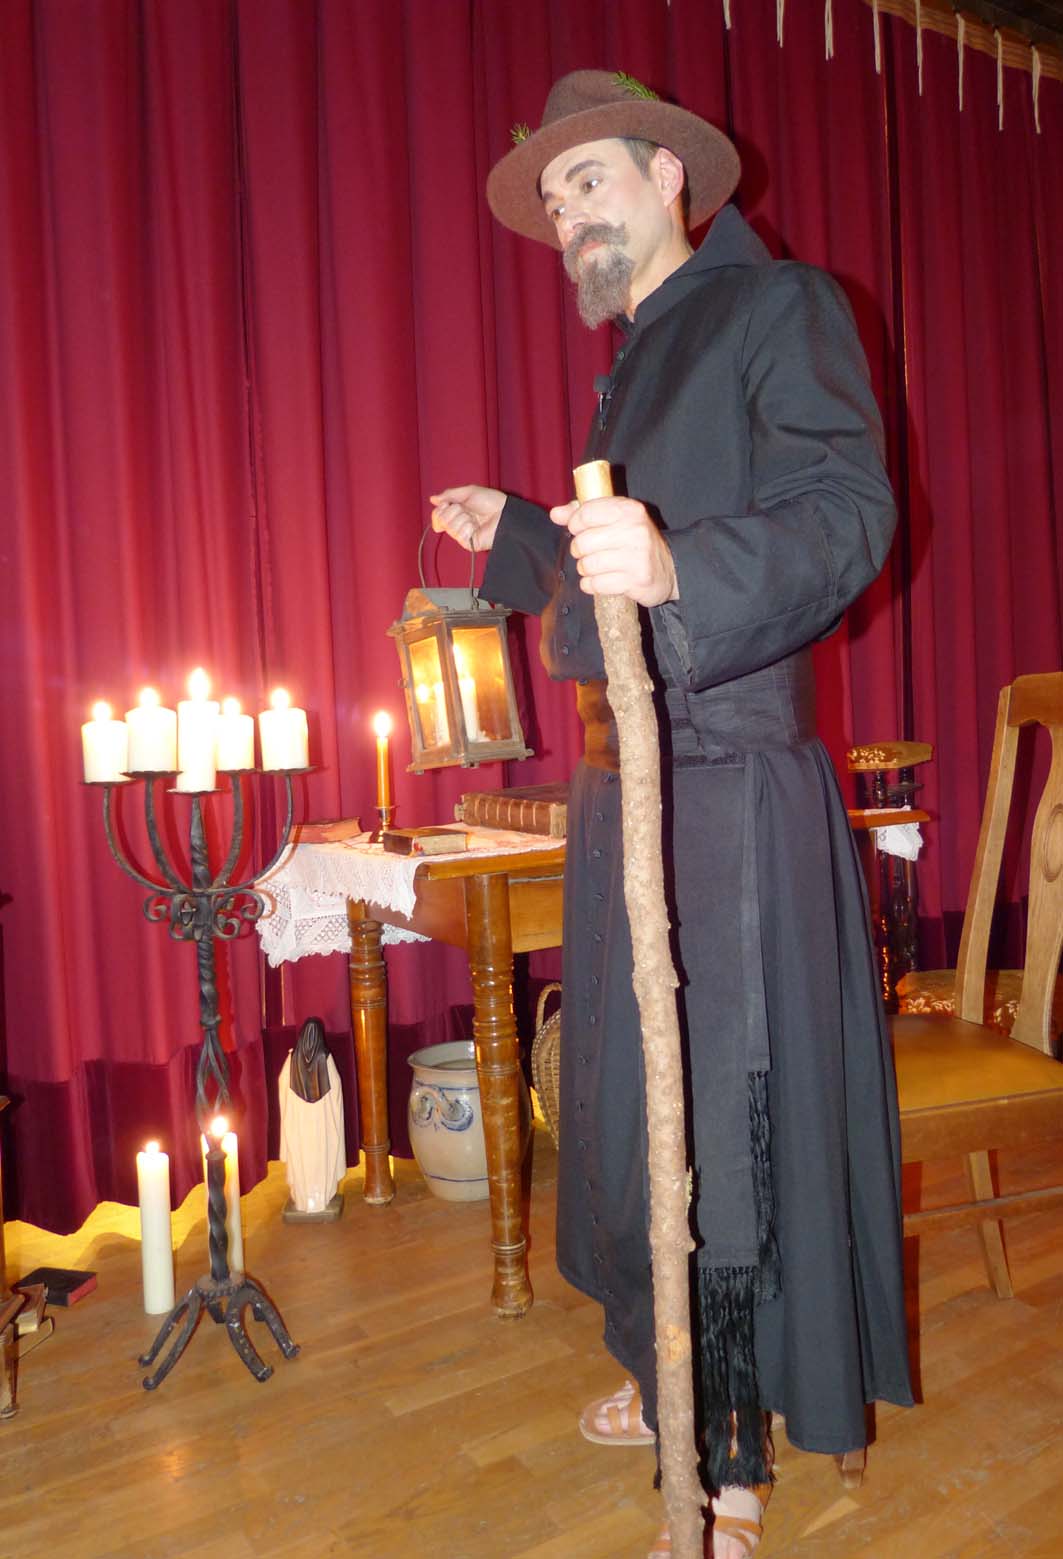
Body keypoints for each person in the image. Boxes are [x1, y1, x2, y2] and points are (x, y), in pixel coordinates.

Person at [431, 69, 912, 1559]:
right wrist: (524, 536)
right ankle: (669, 1373)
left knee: (727, 1119)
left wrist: (681, 565)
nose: (569, 213)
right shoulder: (637, 361)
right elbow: (617, 586)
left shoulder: (779, 308)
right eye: (553, 197)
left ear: (669, 179)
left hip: (729, 802)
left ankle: (730, 1456)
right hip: (620, 792)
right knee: (635, 1114)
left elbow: (848, 517)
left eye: (592, 180)